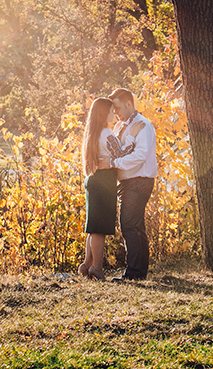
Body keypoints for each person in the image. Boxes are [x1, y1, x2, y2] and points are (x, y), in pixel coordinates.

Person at [79, 97, 145, 280]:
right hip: (104, 183)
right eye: (110, 110)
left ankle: (87, 264)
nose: (113, 113)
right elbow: (122, 153)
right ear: (103, 113)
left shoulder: (93, 133)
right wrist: (133, 135)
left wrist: (122, 131)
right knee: (100, 228)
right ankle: (97, 268)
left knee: (93, 226)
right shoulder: (107, 134)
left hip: (93, 180)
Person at [108, 88, 158, 281]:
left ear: (129, 103)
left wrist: (113, 164)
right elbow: (118, 151)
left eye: (118, 107)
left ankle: (133, 274)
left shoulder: (142, 125)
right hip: (127, 182)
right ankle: (140, 272)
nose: (116, 113)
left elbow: (140, 156)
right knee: (136, 226)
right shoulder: (120, 126)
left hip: (139, 181)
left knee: (128, 224)